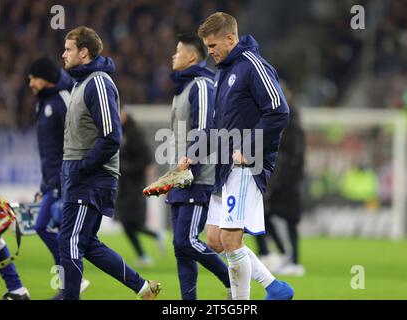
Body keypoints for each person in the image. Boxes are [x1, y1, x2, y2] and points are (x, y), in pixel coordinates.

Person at [179, 12, 294, 300]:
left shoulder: (253, 66)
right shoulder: (223, 72)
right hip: (223, 166)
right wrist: (193, 155)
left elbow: (279, 111)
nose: (210, 52)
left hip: (245, 165)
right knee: (215, 240)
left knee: (231, 240)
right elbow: (217, 126)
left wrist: (250, 146)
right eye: (207, 47)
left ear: (231, 38)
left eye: (213, 45)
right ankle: (276, 288)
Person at [59, 26, 160, 300]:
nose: (63, 54)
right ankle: (142, 287)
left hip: (90, 177)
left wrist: (83, 167)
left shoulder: (98, 83)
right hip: (80, 175)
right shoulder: (80, 83)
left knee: (68, 241)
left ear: (84, 52)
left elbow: (112, 137)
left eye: (68, 49)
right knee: (87, 244)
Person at [167, 33, 231, 300]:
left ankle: (233, 280)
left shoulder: (202, 85)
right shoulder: (182, 89)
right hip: (180, 176)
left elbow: (205, 130)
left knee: (187, 241)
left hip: (197, 176)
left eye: (178, 51)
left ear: (193, 56)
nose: (173, 55)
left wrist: (191, 160)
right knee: (180, 247)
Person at [28, 57, 90, 299]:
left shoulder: (63, 99)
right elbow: (48, 152)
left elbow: (74, 140)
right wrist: (44, 186)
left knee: (50, 229)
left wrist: (66, 177)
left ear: (44, 78)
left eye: (33, 78)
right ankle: (69, 286)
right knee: (49, 229)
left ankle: (71, 284)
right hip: (52, 181)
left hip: (65, 180)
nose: (30, 83)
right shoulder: (41, 104)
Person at [256, 83, 306, 276]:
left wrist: (281, 180)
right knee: (266, 215)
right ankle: (284, 256)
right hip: (280, 178)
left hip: (287, 180)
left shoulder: (290, 121)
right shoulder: (283, 118)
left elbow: (292, 155)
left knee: (287, 219)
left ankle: (292, 260)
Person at [115, 107, 162, 267]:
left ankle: (144, 253)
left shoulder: (134, 132)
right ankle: (154, 237)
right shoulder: (119, 130)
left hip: (134, 184)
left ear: (123, 113)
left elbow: (146, 159)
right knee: (127, 222)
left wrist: (126, 168)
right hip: (124, 184)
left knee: (129, 221)